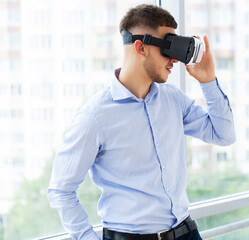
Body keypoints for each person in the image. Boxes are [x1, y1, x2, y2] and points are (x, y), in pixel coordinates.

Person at [48, 4, 235, 240]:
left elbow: (224, 134)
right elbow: (61, 190)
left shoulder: (173, 100)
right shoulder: (95, 117)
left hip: (186, 232)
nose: (174, 60)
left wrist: (208, 81)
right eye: (167, 49)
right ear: (140, 47)